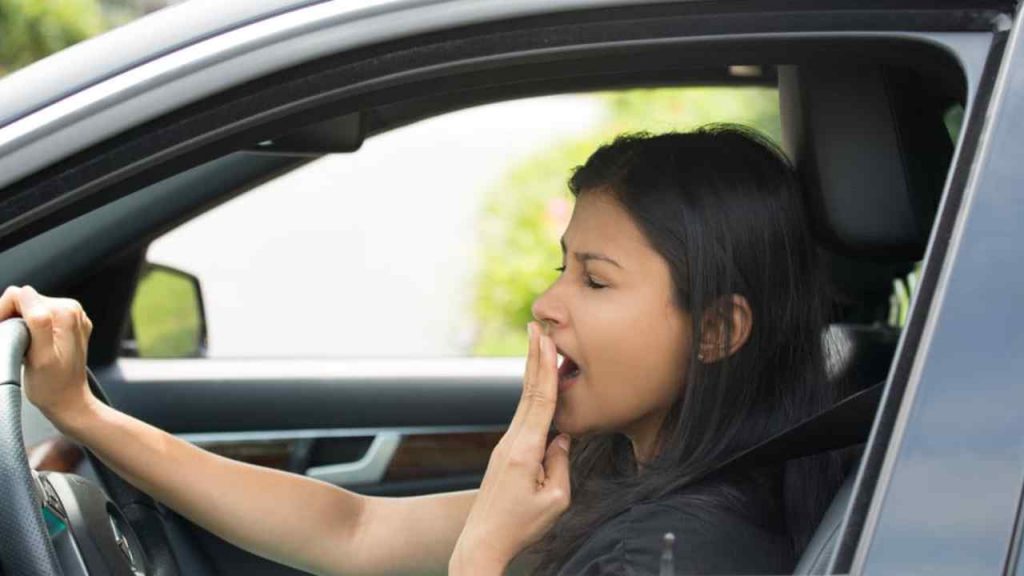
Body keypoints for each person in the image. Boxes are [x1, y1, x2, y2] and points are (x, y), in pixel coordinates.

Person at [0, 125, 843, 575]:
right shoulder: (619, 474)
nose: (546, 306)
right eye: (561, 269)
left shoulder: (686, 555)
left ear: (717, 330)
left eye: (594, 279)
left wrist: (485, 551)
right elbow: (352, 529)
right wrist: (83, 415)